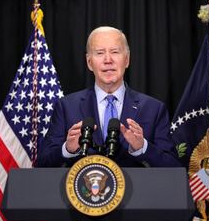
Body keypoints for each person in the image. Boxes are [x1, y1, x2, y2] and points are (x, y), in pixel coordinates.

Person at [37, 26, 179, 168]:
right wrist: (67, 149)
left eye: (115, 52)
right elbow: (42, 164)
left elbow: (174, 167)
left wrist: (143, 147)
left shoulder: (154, 109)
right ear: (89, 62)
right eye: (99, 53)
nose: (108, 60)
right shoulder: (66, 107)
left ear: (127, 60)